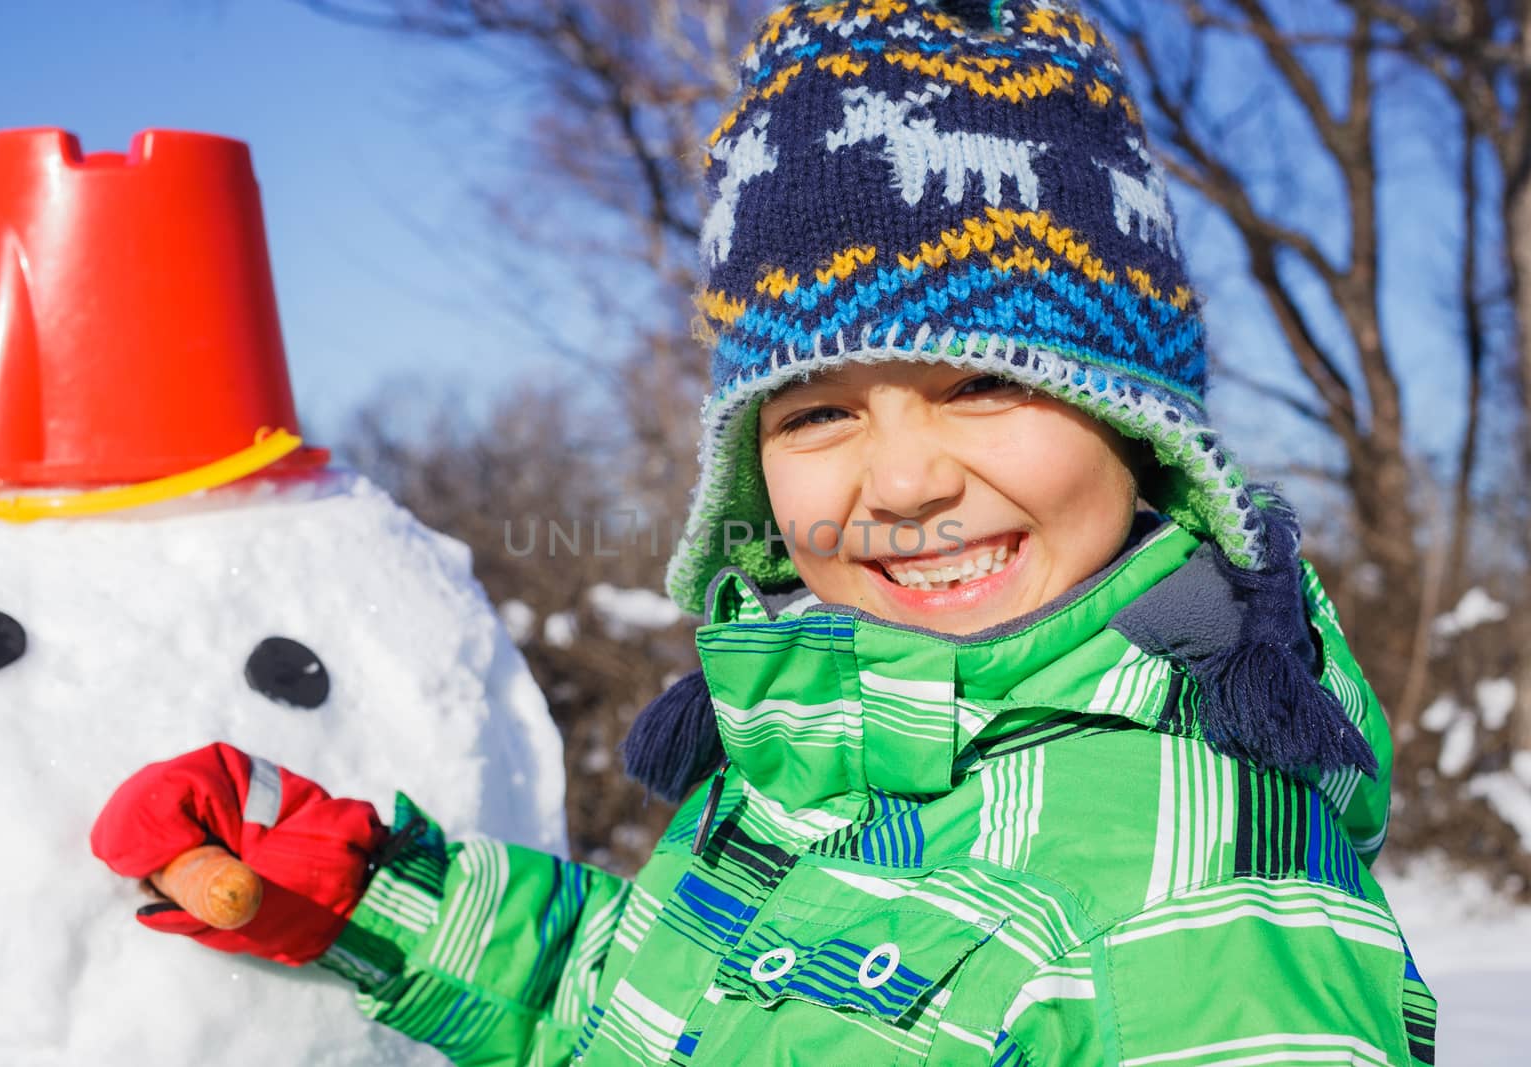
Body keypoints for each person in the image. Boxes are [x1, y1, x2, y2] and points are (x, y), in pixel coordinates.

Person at [90, 1, 1438, 1063]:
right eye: (816, 415)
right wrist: (356, 889)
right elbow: (634, 1017)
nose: (900, 483)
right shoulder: (807, 755)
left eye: (984, 384)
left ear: (1134, 425)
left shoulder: (1207, 900)